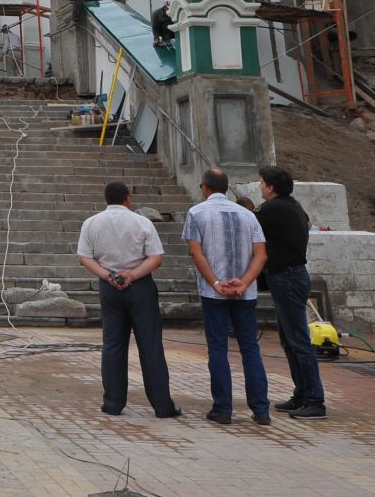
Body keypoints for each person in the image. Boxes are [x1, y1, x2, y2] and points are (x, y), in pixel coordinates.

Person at [75, 181, 181, 419]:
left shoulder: (91, 223)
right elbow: (156, 258)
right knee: (150, 345)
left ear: (106, 199)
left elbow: (84, 257)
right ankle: (162, 405)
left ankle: (113, 403)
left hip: (110, 287)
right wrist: (132, 274)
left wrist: (108, 275)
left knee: (113, 344)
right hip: (140, 285)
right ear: (128, 199)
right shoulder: (141, 222)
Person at [184, 167, 271, 425]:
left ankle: (223, 409)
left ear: (204, 188)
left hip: (214, 293)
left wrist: (216, 282)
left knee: (218, 349)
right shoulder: (248, 215)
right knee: (250, 349)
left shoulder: (197, 213)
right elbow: (261, 255)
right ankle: (261, 410)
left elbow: (196, 253)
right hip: (246, 293)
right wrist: (243, 283)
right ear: (226, 187)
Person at [254, 165, 327, 419]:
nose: (260, 186)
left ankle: (315, 399)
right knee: (289, 339)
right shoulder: (293, 205)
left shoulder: (272, 209)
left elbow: (248, 223)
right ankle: (302, 394)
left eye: (262, 183)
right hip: (291, 275)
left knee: (298, 340)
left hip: (287, 276)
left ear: (271, 187)